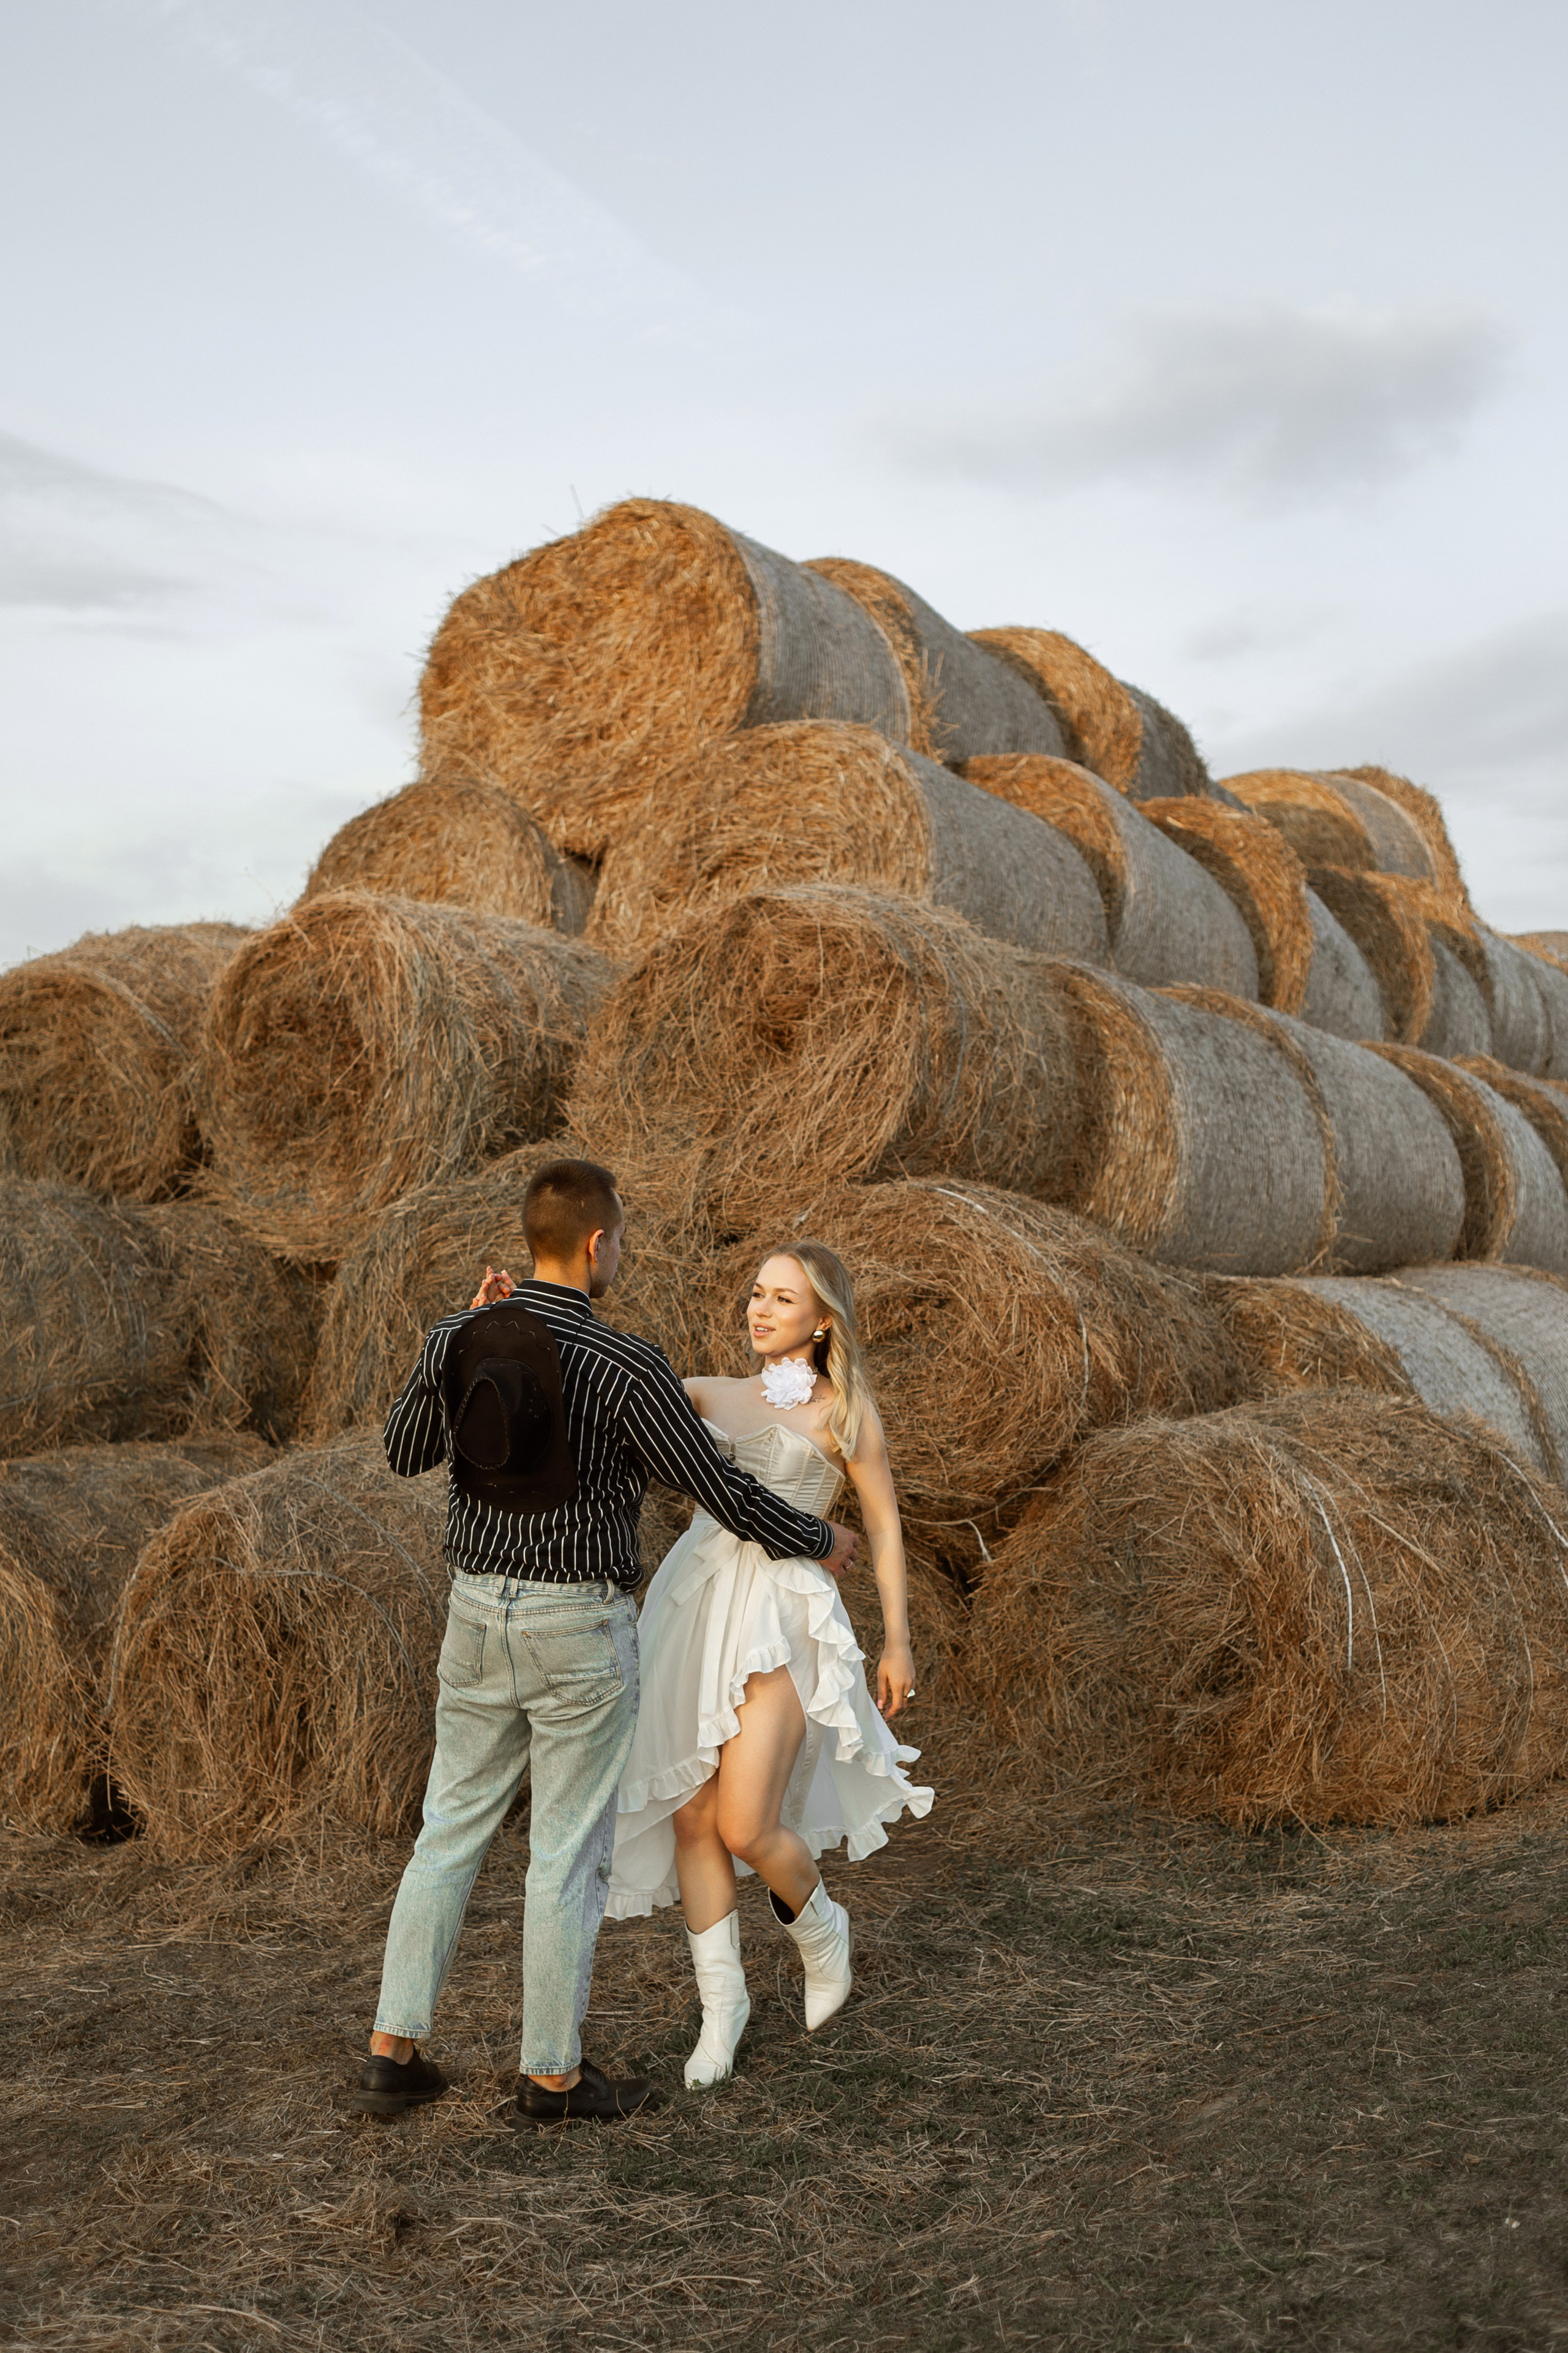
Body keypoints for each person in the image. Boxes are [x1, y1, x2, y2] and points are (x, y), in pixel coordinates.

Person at [351, 1161, 860, 2127]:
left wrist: (456, 1341)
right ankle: (550, 2074)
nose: (620, 1253)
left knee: (448, 1832)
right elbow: (721, 1490)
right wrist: (816, 1535)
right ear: (595, 1245)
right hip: (575, 1627)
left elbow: (404, 1448)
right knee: (564, 1851)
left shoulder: (458, 1336)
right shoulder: (626, 1363)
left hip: (475, 1613)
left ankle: (393, 2049)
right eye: (620, 1240)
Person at [608, 1241, 933, 2090]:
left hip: (783, 1617)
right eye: (758, 1292)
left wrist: (897, 1639)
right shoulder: (705, 1394)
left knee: (746, 1825)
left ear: (823, 1321)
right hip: (695, 1602)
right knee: (692, 1816)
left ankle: (824, 1934)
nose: (761, 1309)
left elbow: (884, 1529)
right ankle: (723, 2009)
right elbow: (613, 1392)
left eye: (784, 1299)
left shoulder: (847, 1413)